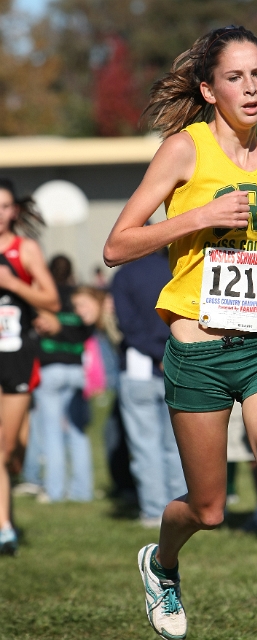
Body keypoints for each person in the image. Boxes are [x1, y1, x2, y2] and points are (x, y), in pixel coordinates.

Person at [104, 25, 257, 640]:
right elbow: (116, 245)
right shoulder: (185, 150)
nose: (251, 87)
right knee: (208, 509)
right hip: (199, 352)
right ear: (209, 89)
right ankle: (162, 561)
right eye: (235, 77)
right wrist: (199, 215)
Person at [0, 178, 60, 555]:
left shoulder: (26, 250)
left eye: (4, 206)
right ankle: (5, 527)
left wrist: (13, 285)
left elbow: (51, 298)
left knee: (10, 452)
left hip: (16, 357)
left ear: (15, 210)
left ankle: (17, 463)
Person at [111, 249, 186, 528]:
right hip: (180, 362)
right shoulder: (180, 268)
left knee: (145, 446)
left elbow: (126, 326)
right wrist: (168, 353)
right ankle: (180, 509)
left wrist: (158, 354)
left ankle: (155, 510)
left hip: (139, 366)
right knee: (178, 445)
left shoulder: (125, 275)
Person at [32, 256, 93, 503]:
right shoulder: (79, 297)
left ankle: (55, 491)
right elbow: (89, 329)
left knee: (52, 431)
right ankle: (83, 491)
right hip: (76, 369)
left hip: (50, 368)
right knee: (78, 432)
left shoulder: (44, 297)